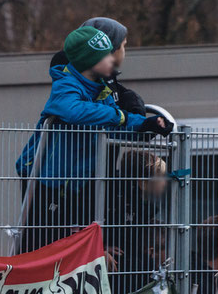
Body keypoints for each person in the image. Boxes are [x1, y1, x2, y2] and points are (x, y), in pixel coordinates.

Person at [15, 26, 173, 253]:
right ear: (90, 61)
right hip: (46, 181)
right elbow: (71, 110)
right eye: (105, 55)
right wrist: (118, 115)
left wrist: (145, 125)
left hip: (73, 183)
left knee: (68, 246)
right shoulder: (66, 83)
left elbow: (116, 126)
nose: (113, 59)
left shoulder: (101, 91)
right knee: (40, 246)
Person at [50, 17, 146, 116]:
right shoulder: (71, 83)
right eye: (123, 45)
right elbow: (73, 109)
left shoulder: (102, 79)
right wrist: (122, 118)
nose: (124, 51)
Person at [107, 151, 170, 292]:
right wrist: (100, 249)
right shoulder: (116, 201)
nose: (165, 183)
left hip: (134, 264)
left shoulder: (148, 208)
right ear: (143, 183)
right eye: (160, 177)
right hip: (119, 269)